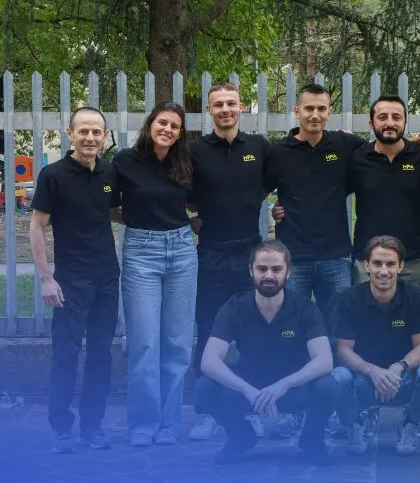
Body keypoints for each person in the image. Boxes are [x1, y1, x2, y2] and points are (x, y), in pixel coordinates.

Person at [265, 84, 420, 324]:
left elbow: (386, 139)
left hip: (335, 256)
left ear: (329, 112)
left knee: (341, 326)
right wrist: (275, 211)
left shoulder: (344, 145)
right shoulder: (278, 151)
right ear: (297, 111)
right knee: (292, 324)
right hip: (294, 255)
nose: (315, 115)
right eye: (309, 108)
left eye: (321, 109)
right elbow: (260, 190)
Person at [197, 239, 337, 464]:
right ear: (250, 270)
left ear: (288, 272)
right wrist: (246, 389)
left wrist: (284, 384)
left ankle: (312, 441)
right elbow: (208, 361)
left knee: (328, 386)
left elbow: (325, 360)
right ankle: (240, 437)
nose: (269, 275)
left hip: (293, 390)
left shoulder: (304, 307)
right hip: (249, 391)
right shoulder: (235, 306)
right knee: (204, 387)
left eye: (276, 269)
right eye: (262, 268)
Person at [30, 107, 120, 453]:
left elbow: (112, 211)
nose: (90, 138)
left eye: (96, 132)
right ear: (70, 134)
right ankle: (61, 429)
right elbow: (37, 227)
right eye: (83, 131)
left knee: (101, 355)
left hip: (107, 277)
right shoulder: (53, 175)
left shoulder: (109, 172)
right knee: (65, 355)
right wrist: (46, 278)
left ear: (105, 135)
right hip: (70, 281)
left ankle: (92, 427)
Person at [111, 101, 198, 447]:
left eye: (175, 126)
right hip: (141, 253)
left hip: (182, 250)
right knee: (145, 341)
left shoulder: (185, 163)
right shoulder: (125, 161)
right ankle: (144, 424)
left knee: (177, 342)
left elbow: (200, 202)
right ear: (151, 124)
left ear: (180, 133)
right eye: (163, 123)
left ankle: (169, 423)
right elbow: (109, 205)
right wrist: (135, 222)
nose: (168, 130)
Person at [187, 82, 270, 441]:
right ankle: (208, 412)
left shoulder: (259, 147)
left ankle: (251, 407)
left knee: (253, 334)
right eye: (218, 104)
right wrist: (193, 216)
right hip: (211, 254)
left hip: (250, 254)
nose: (225, 109)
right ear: (209, 110)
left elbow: (270, 184)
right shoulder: (193, 151)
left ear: (241, 107)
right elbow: (182, 193)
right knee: (209, 330)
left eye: (231, 103)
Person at [331, 235, 420, 456]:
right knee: (338, 377)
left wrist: (397, 368)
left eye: (390, 264)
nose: (384, 271)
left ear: (400, 267)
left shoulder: (415, 297)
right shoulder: (348, 299)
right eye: (377, 263)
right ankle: (355, 425)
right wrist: (373, 371)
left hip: (401, 379)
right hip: (363, 379)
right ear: (366, 265)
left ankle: (410, 425)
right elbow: (343, 351)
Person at [349, 95, 420, 292]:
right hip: (367, 262)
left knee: (417, 313)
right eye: (382, 117)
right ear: (371, 123)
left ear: (405, 122)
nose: (390, 123)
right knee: (366, 313)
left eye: (396, 117)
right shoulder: (357, 158)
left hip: (414, 261)